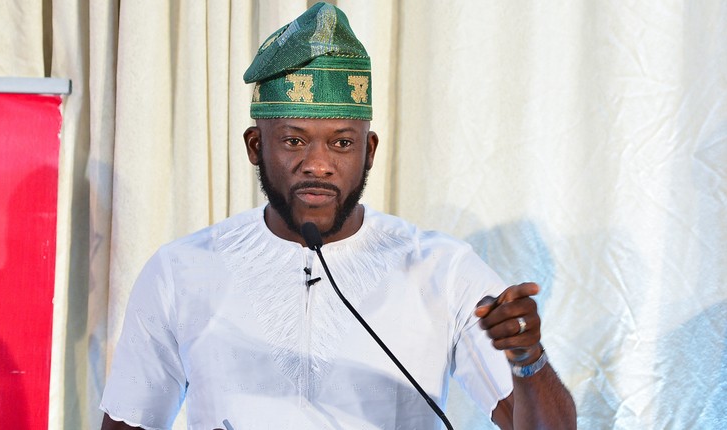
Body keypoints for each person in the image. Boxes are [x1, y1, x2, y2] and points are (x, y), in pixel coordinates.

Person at [100, 3, 576, 429]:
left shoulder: (442, 270)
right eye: (293, 140)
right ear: (254, 146)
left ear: (369, 151)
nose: (318, 163)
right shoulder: (181, 270)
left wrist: (527, 359)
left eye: (342, 143)